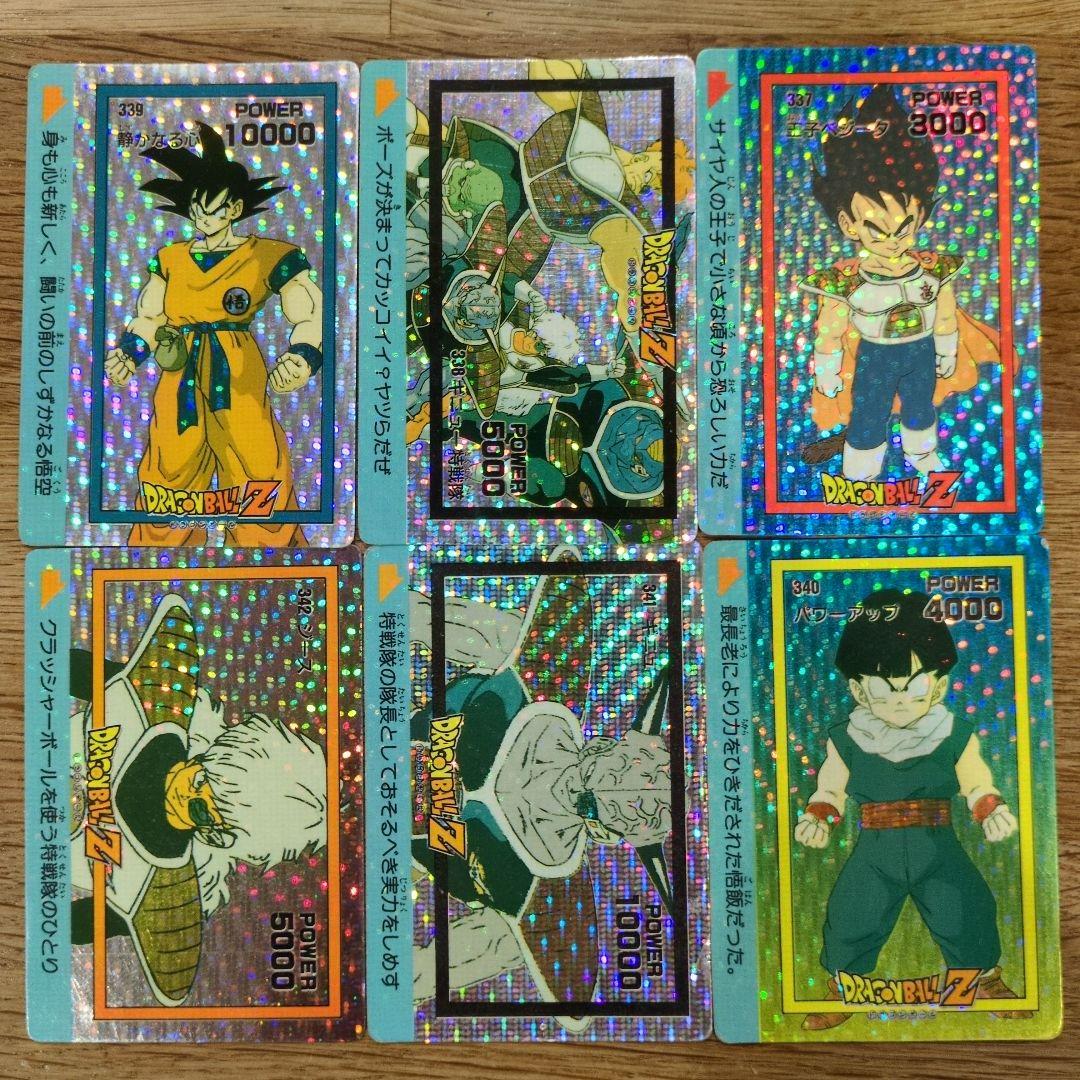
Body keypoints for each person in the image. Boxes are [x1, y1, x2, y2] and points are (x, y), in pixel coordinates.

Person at [69, 593, 329, 1006]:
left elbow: (69, 925)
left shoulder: (156, 889)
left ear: (219, 837)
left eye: (200, 806)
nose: (183, 788)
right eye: (202, 775)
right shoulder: (151, 706)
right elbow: (63, 669)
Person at [796, 588, 1029, 1029]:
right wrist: (818, 815)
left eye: (913, 685)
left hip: (937, 846)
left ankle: (983, 980)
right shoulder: (848, 738)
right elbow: (830, 788)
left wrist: (990, 808)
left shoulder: (952, 734)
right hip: (875, 850)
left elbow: (976, 781)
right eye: (884, 689)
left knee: (966, 907)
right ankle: (843, 988)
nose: (900, 699)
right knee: (851, 913)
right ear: (858, 690)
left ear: (938, 685)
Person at [106, 121, 323, 545]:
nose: (204, 217)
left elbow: (309, 311)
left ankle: (269, 560)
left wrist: (303, 356)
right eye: (197, 209)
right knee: (169, 471)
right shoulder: (170, 259)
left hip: (238, 376)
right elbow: (150, 315)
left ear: (235, 209)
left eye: (214, 208)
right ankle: (159, 560)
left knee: (258, 468)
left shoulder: (265, 255)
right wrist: (130, 352)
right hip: (179, 375)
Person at [799, 85, 1010, 480]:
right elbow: (830, 327)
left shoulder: (932, 268)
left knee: (920, 407)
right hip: (875, 355)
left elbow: (944, 311)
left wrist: (946, 348)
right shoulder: (846, 280)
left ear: (920, 216)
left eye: (904, 227)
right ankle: (860, 471)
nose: (893, 241)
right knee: (869, 411)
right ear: (848, 224)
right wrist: (826, 367)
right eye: (877, 230)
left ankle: (922, 454)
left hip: (921, 351)